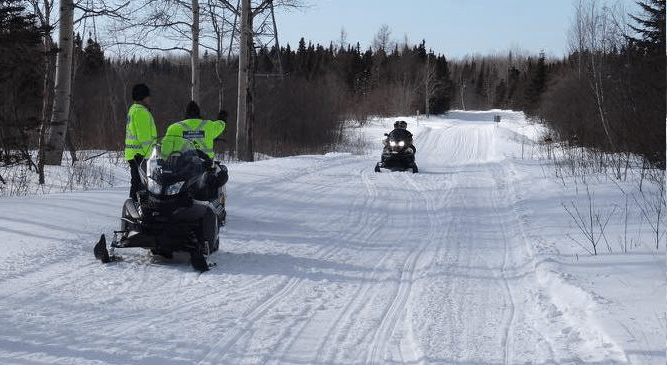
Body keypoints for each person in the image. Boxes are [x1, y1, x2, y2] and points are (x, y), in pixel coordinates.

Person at [125, 83, 157, 202]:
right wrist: (151, 156)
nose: (150, 99)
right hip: (141, 155)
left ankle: (134, 207)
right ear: (142, 97)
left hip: (134, 153)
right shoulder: (141, 112)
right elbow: (144, 138)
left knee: (137, 182)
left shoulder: (133, 110)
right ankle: (135, 210)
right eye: (148, 96)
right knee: (141, 184)